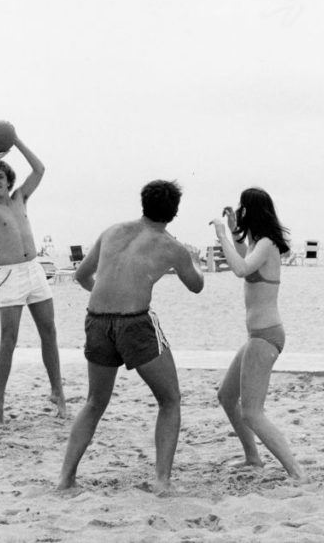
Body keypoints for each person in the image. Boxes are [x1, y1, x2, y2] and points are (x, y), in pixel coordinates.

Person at [58, 180, 204, 495]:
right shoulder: (171, 247)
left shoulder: (112, 231)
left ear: (143, 203)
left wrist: (107, 298)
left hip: (96, 320)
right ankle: (162, 482)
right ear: (174, 213)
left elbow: (82, 276)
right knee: (170, 399)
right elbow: (196, 285)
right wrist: (190, 256)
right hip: (134, 324)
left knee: (94, 402)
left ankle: (65, 479)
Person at [211, 189, 303, 480]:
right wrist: (236, 227)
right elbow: (244, 257)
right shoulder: (260, 244)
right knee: (227, 396)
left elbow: (240, 268)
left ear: (254, 212)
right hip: (259, 336)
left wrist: (222, 234)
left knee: (252, 411)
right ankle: (253, 458)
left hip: (266, 336)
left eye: (243, 209)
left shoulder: (266, 244)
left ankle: (297, 473)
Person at [0, 133, 66, 422]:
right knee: (8, 340)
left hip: (34, 271)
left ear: (9, 180)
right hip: (10, 275)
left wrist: (15, 141)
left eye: (1, 177)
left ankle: (57, 391)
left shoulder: (19, 198)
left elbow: (39, 169)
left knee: (49, 332)